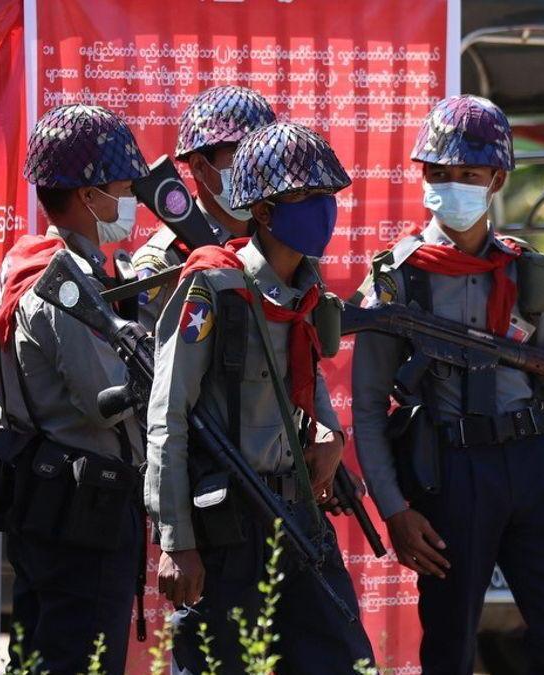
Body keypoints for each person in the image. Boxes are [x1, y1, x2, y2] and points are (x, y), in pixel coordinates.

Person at [351, 94, 544, 674]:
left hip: (533, 464)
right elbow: (366, 409)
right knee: (451, 646)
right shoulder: (398, 279)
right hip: (450, 473)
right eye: (438, 174)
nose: (451, 185)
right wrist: (394, 509)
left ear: (497, 178)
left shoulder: (526, 272)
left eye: (468, 174)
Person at [144, 121, 375, 673]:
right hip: (229, 529)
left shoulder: (307, 292)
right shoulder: (215, 289)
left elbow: (306, 384)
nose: (320, 210)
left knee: (345, 659)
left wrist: (329, 434)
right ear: (264, 212)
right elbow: (168, 416)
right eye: (302, 197)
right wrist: (177, 542)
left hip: (296, 513)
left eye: (325, 196)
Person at [0, 104, 149, 673]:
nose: (131, 204)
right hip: (86, 506)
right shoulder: (64, 285)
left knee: (41, 654)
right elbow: (105, 402)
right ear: (88, 196)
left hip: (43, 492)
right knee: (81, 657)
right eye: (124, 189)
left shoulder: (20, 266)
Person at [132, 85, 276, 329]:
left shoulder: (274, 242)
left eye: (262, 158)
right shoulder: (163, 261)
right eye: (242, 158)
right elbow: (138, 359)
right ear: (199, 166)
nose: (257, 171)